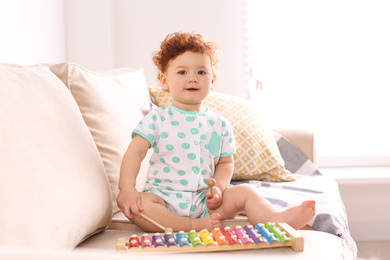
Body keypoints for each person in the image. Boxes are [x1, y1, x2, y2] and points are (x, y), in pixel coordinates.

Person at [117, 32, 315, 232]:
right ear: (164, 81)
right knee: (140, 206)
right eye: (182, 72)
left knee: (245, 192)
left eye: (202, 72)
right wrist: (127, 189)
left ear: (212, 82)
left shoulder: (219, 124)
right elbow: (135, 152)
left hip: (207, 203)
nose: (193, 78)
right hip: (164, 200)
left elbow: (225, 163)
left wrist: (218, 189)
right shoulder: (157, 119)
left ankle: (276, 219)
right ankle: (188, 225)